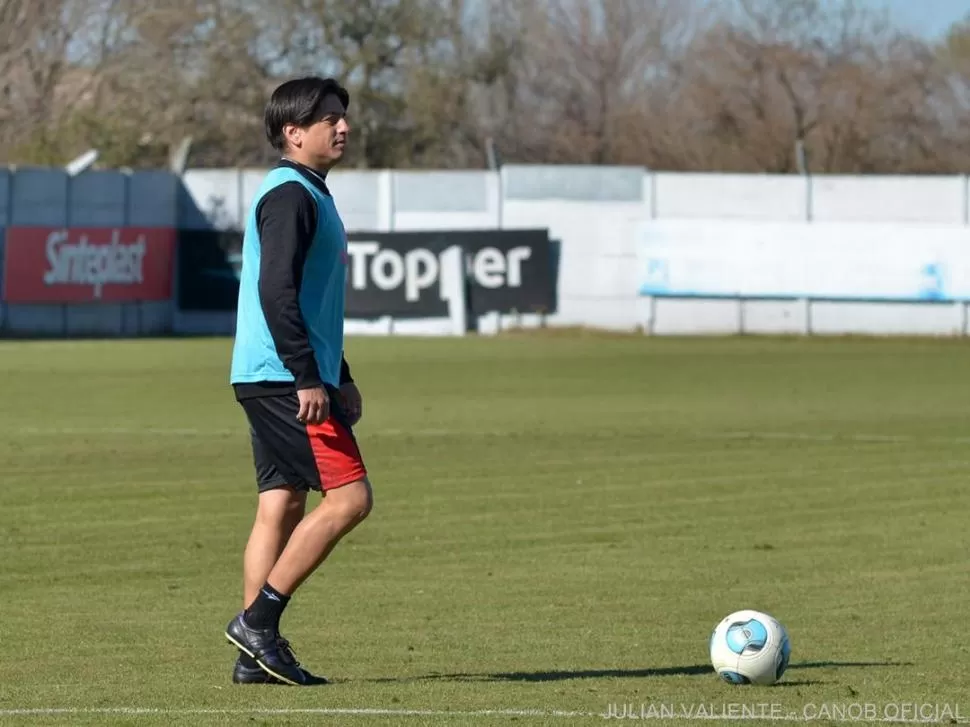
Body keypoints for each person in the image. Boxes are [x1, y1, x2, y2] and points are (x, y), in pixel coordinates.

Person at [224, 76, 373, 686]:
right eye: (329, 118)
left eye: (342, 116)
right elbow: (276, 291)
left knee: (280, 506)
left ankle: (251, 659)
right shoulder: (290, 195)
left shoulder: (309, 191)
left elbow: (313, 303)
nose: (342, 126)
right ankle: (258, 623)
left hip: (276, 374)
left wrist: (342, 374)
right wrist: (310, 378)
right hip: (286, 379)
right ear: (294, 132)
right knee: (351, 500)